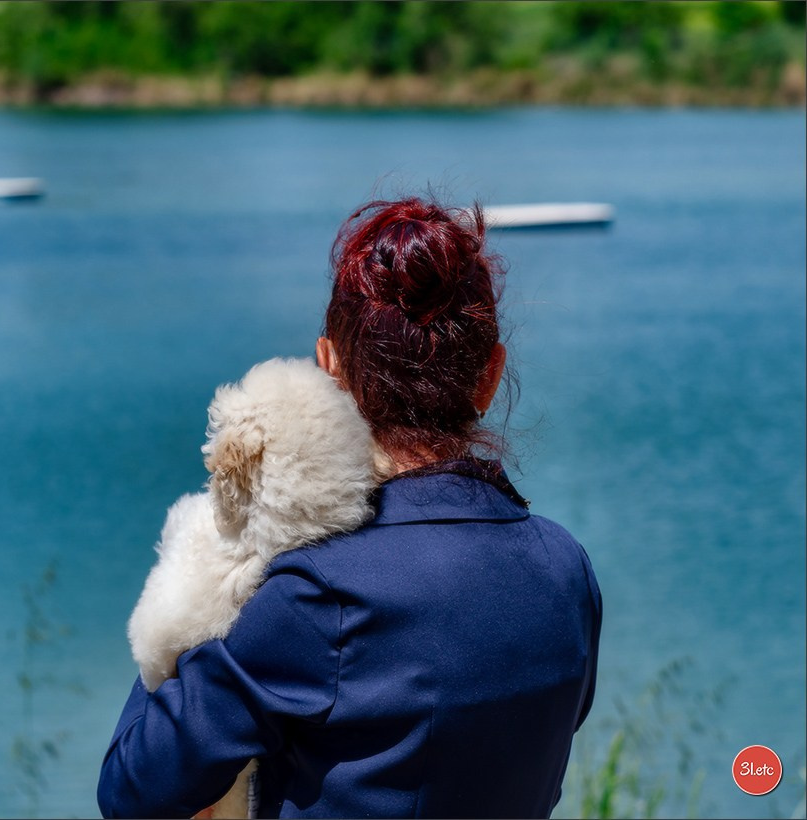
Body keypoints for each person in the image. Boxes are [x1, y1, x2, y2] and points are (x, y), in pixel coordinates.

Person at [97, 196, 602, 819]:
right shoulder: (567, 572)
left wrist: (202, 562)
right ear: (490, 374)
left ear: (330, 369)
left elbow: (133, 787)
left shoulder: (318, 593)